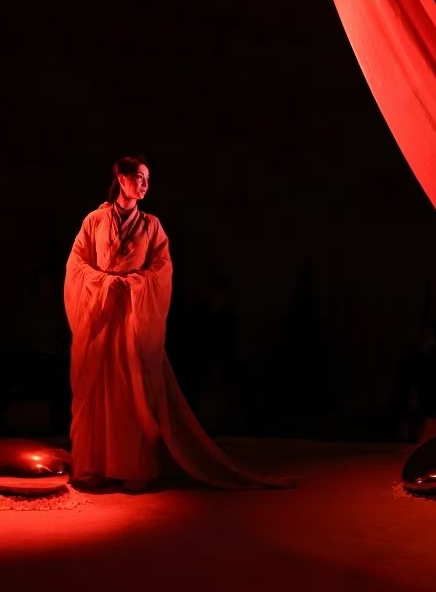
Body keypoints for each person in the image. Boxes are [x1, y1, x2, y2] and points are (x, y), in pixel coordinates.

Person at [64, 155, 292, 492]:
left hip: (132, 317)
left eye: (148, 179)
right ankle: (94, 465)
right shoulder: (94, 221)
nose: (145, 184)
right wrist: (104, 282)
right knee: (99, 387)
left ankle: (133, 467)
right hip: (101, 316)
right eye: (139, 177)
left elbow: (162, 269)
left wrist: (134, 283)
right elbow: (77, 264)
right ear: (122, 179)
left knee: (135, 391)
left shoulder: (151, 226)